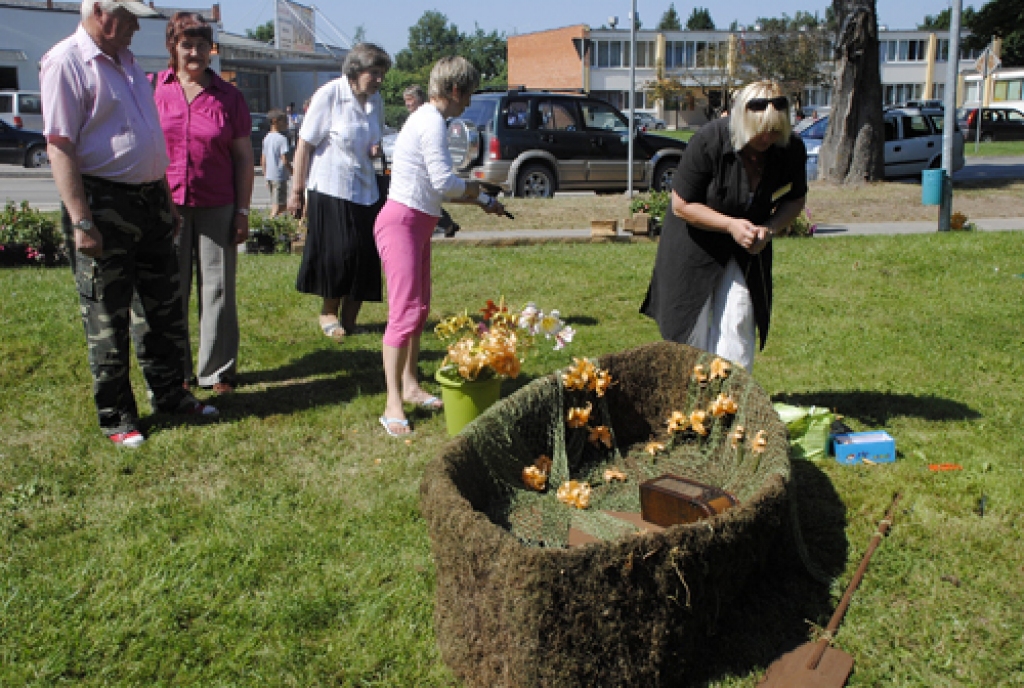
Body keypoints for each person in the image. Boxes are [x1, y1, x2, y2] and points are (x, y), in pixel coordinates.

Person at [41, 0, 218, 448]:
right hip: (103, 201)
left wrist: (161, 193)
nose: (139, 25)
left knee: (162, 307)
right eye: (132, 15)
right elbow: (60, 145)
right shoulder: (67, 61)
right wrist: (82, 219)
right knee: (107, 313)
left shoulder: (127, 60)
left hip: (151, 199)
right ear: (101, 10)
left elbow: (144, 131)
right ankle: (117, 415)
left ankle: (170, 394)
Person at [375, 56, 506, 437]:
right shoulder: (430, 121)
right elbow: (445, 183)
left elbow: (437, 186)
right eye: (468, 95)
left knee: (418, 309)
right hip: (401, 223)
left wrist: (483, 202)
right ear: (454, 90)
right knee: (402, 314)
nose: (469, 103)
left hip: (418, 222)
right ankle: (392, 405)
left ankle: (412, 385)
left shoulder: (431, 120)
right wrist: (477, 190)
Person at [640, 80, 807, 372]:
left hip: (747, 248)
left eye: (775, 132)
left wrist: (769, 228)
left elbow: (795, 200)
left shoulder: (790, 148)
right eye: (760, 132)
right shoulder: (709, 140)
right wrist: (730, 225)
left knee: (739, 318)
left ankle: (729, 401)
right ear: (741, 121)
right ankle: (690, 405)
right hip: (694, 243)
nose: (767, 140)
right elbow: (682, 204)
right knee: (690, 331)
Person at [153, 11, 254, 395]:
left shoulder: (230, 97)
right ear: (172, 48)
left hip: (218, 205)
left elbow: (244, 158)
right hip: (168, 205)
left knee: (219, 288)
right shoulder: (154, 89)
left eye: (200, 44)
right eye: (185, 44)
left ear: (210, 49)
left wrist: (242, 211)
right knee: (171, 289)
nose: (193, 52)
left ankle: (218, 371)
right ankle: (175, 369)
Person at [288, 43, 391, 341]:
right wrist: (297, 190)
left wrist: (375, 148)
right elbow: (305, 145)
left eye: (382, 73)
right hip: (331, 187)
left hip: (366, 189)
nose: (379, 80)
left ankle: (350, 319)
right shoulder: (331, 94)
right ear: (356, 71)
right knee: (341, 253)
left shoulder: (376, 101)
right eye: (375, 73)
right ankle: (328, 311)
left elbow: (375, 138)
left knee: (365, 255)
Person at [401, 83, 460, 238]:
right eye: (406, 100)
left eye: (410, 99)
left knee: (432, 198)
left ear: (419, 100)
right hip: (409, 205)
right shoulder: (421, 119)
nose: (407, 103)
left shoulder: (430, 120)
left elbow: (444, 182)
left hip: (427, 183)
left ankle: (447, 225)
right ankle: (447, 225)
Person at [262, 109, 292, 217]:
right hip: (279, 176)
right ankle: (269, 225)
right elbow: (285, 159)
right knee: (277, 206)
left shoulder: (266, 138)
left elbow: (263, 160)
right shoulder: (282, 139)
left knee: (282, 204)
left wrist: (265, 176)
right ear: (275, 121)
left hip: (270, 176)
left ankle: (280, 225)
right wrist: (293, 171)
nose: (286, 124)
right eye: (284, 121)